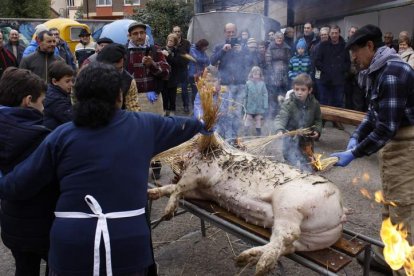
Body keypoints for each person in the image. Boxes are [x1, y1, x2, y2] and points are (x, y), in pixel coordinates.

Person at [0, 62, 213, 276]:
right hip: (128, 246)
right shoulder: (145, 126)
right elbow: (185, 126)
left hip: (72, 246)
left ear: (77, 98)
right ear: (119, 97)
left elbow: (17, 185)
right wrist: (205, 122)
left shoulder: (60, 136)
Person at [331, 24, 414, 275]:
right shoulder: (378, 70)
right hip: (394, 144)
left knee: (403, 207)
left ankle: (404, 268)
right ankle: (388, 256)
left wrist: (354, 154)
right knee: (389, 203)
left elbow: (386, 128)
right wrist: (356, 136)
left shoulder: (392, 72)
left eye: (356, 51)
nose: (353, 58)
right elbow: (374, 114)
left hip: (406, 144)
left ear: (370, 46)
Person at [0, 67, 58, 276]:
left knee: (24, 269)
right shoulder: (38, 137)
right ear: (28, 101)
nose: (43, 108)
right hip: (42, 224)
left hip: (12, 223)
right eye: (41, 102)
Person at [125, 21, 170, 180]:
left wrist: (152, 64)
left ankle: (156, 166)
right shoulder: (124, 51)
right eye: (135, 33)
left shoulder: (155, 50)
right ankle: (137, 167)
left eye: (141, 33)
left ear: (146, 34)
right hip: (132, 99)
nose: (139, 36)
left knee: (156, 132)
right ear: (129, 36)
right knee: (134, 134)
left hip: (153, 98)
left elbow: (166, 73)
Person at [210, 22, 252, 143]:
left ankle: (233, 139)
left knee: (236, 114)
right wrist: (223, 51)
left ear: (236, 32)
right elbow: (212, 61)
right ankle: (221, 138)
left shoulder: (243, 47)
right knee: (223, 113)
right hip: (225, 85)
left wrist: (242, 52)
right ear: (225, 33)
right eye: (229, 32)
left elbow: (250, 63)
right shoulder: (219, 46)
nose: (231, 34)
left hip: (239, 85)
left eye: (233, 31)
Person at [274, 73, 322, 171]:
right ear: (293, 89)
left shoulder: (314, 104)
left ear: (310, 90)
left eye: (303, 90)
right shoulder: (289, 104)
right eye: (297, 89)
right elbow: (281, 117)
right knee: (291, 163)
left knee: (308, 163)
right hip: (290, 139)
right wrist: (279, 129)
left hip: (306, 139)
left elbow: (318, 119)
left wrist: (317, 130)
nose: (299, 92)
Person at [314, 25, 350, 129]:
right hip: (325, 79)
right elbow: (317, 61)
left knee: (338, 102)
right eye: (332, 33)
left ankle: (336, 121)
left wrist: (341, 71)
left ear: (339, 33)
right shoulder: (323, 45)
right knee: (324, 101)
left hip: (339, 80)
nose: (334, 35)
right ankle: (322, 121)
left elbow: (347, 62)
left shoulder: (344, 46)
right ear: (330, 34)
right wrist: (327, 70)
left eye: (336, 33)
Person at [97, 43, 141, 112]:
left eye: (119, 69)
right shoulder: (92, 78)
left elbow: (132, 107)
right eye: (112, 69)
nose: (115, 73)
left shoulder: (129, 81)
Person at [265, 31, 291, 119]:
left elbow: (289, 59)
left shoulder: (287, 48)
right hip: (273, 73)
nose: (279, 39)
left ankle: (282, 113)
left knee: (283, 93)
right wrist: (271, 72)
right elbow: (268, 61)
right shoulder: (270, 47)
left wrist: (287, 70)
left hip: (284, 72)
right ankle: (273, 113)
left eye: (281, 38)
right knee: (273, 94)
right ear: (275, 39)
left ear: (283, 39)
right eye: (277, 38)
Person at [43, 61, 75, 130]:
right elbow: (72, 119)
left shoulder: (58, 92)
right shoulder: (56, 99)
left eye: (71, 81)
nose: (71, 84)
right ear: (55, 81)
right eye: (67, 81)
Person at [161, 33, 185, 116]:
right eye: (169, 40)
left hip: (173, 78)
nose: (169, 42)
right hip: (164, 78)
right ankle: (164, 113)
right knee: (164, 97)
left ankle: (172, 113)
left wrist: (168, 56)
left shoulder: (177, 51)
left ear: (175, 42)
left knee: (172, 98)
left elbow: (178, 63)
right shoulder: (162, 49)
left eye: (172, 41)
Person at [244, 66, 268, 136]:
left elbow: (265, 94)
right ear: (251, 74)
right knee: (248, 118)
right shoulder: (248, 83)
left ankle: (258, 134)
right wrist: (244, 106)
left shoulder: (262, 84)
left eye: (258, 74)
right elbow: (245, 96)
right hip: (250, 106)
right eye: (255, 74)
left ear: (260, 75)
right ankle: (246, 133)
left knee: (258, 119)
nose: (256, 76)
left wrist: (265, 105)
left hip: (259, 106)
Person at [172, 26, 192, 113]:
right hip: (174, 69)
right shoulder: (171, 41)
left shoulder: (186, 43)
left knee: (184, 89)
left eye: (178, 31)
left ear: (181, 32)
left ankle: (186, 106)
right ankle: (172, 107)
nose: (177, 33)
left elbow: (188, 55)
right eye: (175, 31)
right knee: (173, 89)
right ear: (172, 32)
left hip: (183, 69)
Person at [188, 38, 210, 102]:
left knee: (201, 91)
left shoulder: (203, 51)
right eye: (205, 47)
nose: (206, 48)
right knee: (195, 92)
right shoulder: (192, 49)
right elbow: (196, 59)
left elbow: (208, 62)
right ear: (201, 46)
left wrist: (204, 60)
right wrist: (204, 60)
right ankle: (194, 107)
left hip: (201, 74)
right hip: (193, 74)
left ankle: (200, 106)